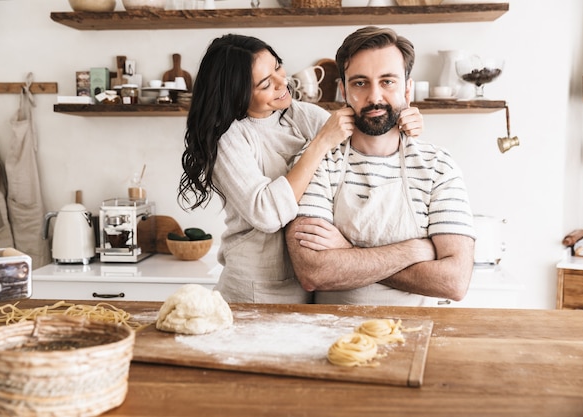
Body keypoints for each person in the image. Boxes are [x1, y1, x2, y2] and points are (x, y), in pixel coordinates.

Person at [177, 34, 425, 304]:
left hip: (311, 286)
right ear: (237, 94)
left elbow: (364, 143)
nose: (283, 83)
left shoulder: (302, 115)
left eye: (277, 67)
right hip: (255, 290)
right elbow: (268, 213)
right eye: (265, 84)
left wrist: (402, 118)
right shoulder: (228, 138)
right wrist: (319, 144)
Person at [285, 26, 476, 306]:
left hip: (416, 335)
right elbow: (314, 272)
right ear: (343, 91)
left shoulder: (438, 167)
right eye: (360, 83)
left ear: (407, 89)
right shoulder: (318, 160)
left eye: (388, 82)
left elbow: (454, 281)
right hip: (331, 336)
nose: (374, 97)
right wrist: (415, 250)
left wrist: (348, 251)